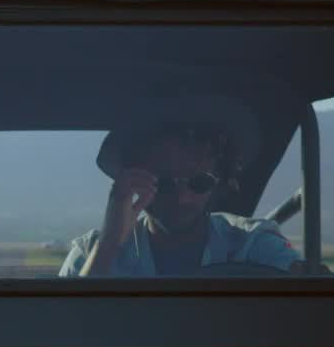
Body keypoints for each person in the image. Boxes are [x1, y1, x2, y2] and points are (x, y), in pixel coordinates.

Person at [59, 117, 307, 277]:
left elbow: (323, 295)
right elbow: (61, 331)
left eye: (199, 183)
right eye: (164, 184)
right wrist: (109, 241)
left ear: (218, 180)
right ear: (134, 182)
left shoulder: (252, 245)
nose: (181, 198)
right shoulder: (90, 251)